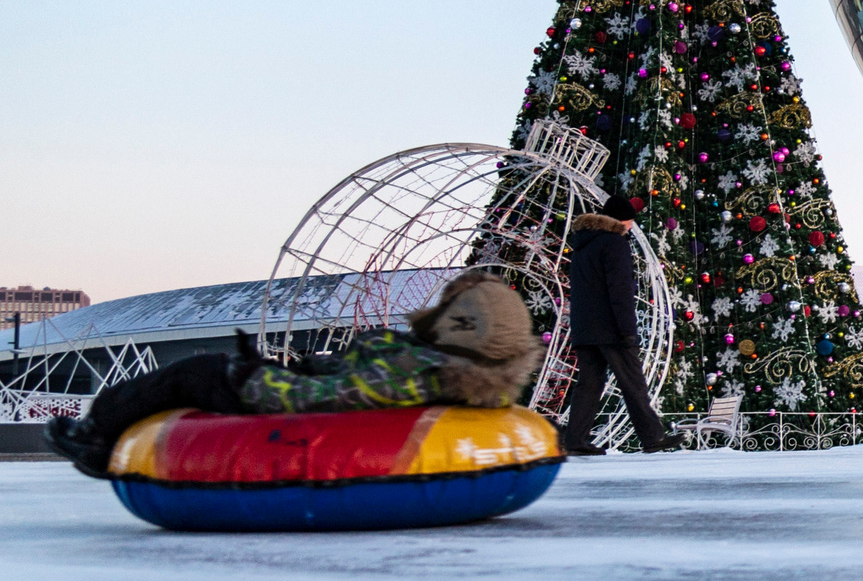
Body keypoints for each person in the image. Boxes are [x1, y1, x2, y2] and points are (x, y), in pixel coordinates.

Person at [45, 272, 541, 479]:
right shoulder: (439, 366)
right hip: (290, 382)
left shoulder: (419, 371)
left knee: (193, 373)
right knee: (199, 374)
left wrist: (251, 376)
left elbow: (327, 399)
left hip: (269, 400)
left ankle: (96, 436)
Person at [563, 193, 674, 454]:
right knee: (632, 381)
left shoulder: (582, 245)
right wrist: (627, 331)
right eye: (630, 220)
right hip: (611, 328)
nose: (632, 226)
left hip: (585, 327)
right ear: (620, 221)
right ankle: (653, 436)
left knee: (589, 384)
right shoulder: (614, 244)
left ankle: (575, 440)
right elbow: (620, 290)